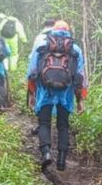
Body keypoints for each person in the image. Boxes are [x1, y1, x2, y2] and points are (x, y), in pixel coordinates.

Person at [27, 20, 87, 171]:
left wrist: (32, 94)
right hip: (65, 94)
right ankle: (61, 160)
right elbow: (80, 76)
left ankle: (46, 153)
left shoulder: (42, 45)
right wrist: (80, 100)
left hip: (45, 90)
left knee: (44, 123)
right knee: (63, 125)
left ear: (52, 30)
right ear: (68, 31)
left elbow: (32, 71)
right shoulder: (75, 49)